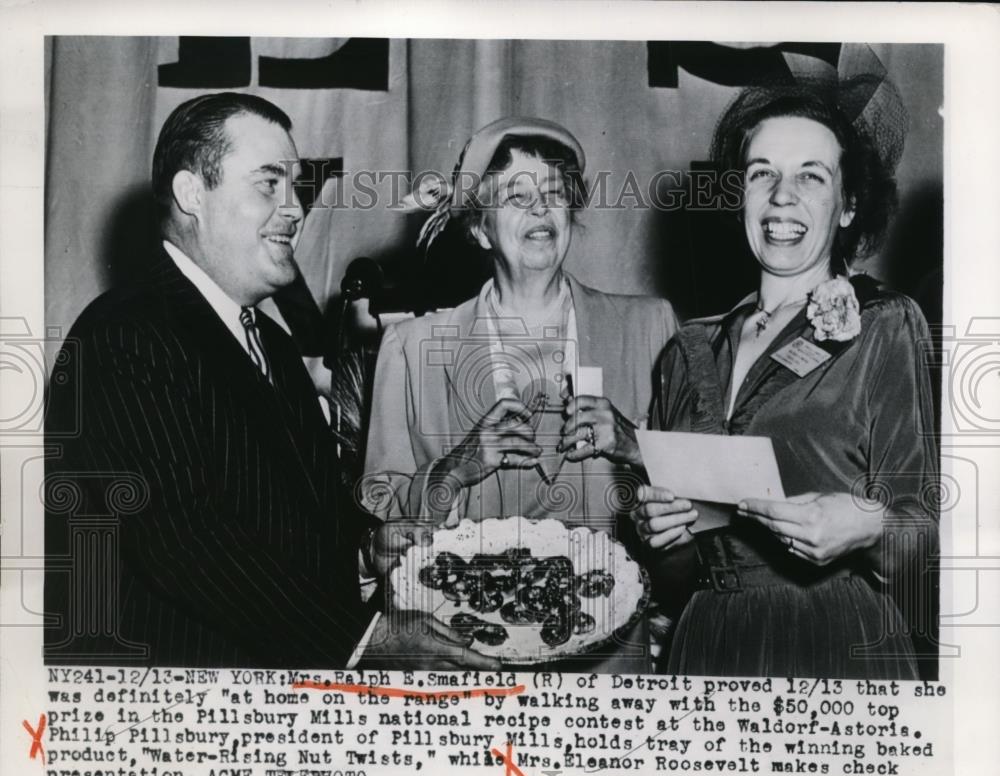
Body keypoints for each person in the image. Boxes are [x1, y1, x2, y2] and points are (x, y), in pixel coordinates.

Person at [44, 92, 493, 670]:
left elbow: (293, 512)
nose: (295, 209)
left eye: (296, 186)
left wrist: (363, 547)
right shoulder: (127, 334)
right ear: (191, 195)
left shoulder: (271, 345)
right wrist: (363, 639)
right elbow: (187, 540)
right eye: (268, 183)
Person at [631, 75, 938, 679]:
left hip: (834, 636)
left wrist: (866, 522)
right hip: (706, 644)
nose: (781, 196)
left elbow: (919, 535)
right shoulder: (687, 348)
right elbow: (679, 576)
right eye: (762, 173)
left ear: (848, 205)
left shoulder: (884, 326)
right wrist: (661, 535)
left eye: (811, 176)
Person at [362, 117, 677, 671]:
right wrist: (456, 468)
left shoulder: (648, 328)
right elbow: (388, 544)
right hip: (465, 672)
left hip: (607, 677)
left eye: (554, 194)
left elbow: (701, 511)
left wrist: (637, 445)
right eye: (516, 195)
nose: (540, 208)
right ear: (480, 230)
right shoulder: (410, 350)